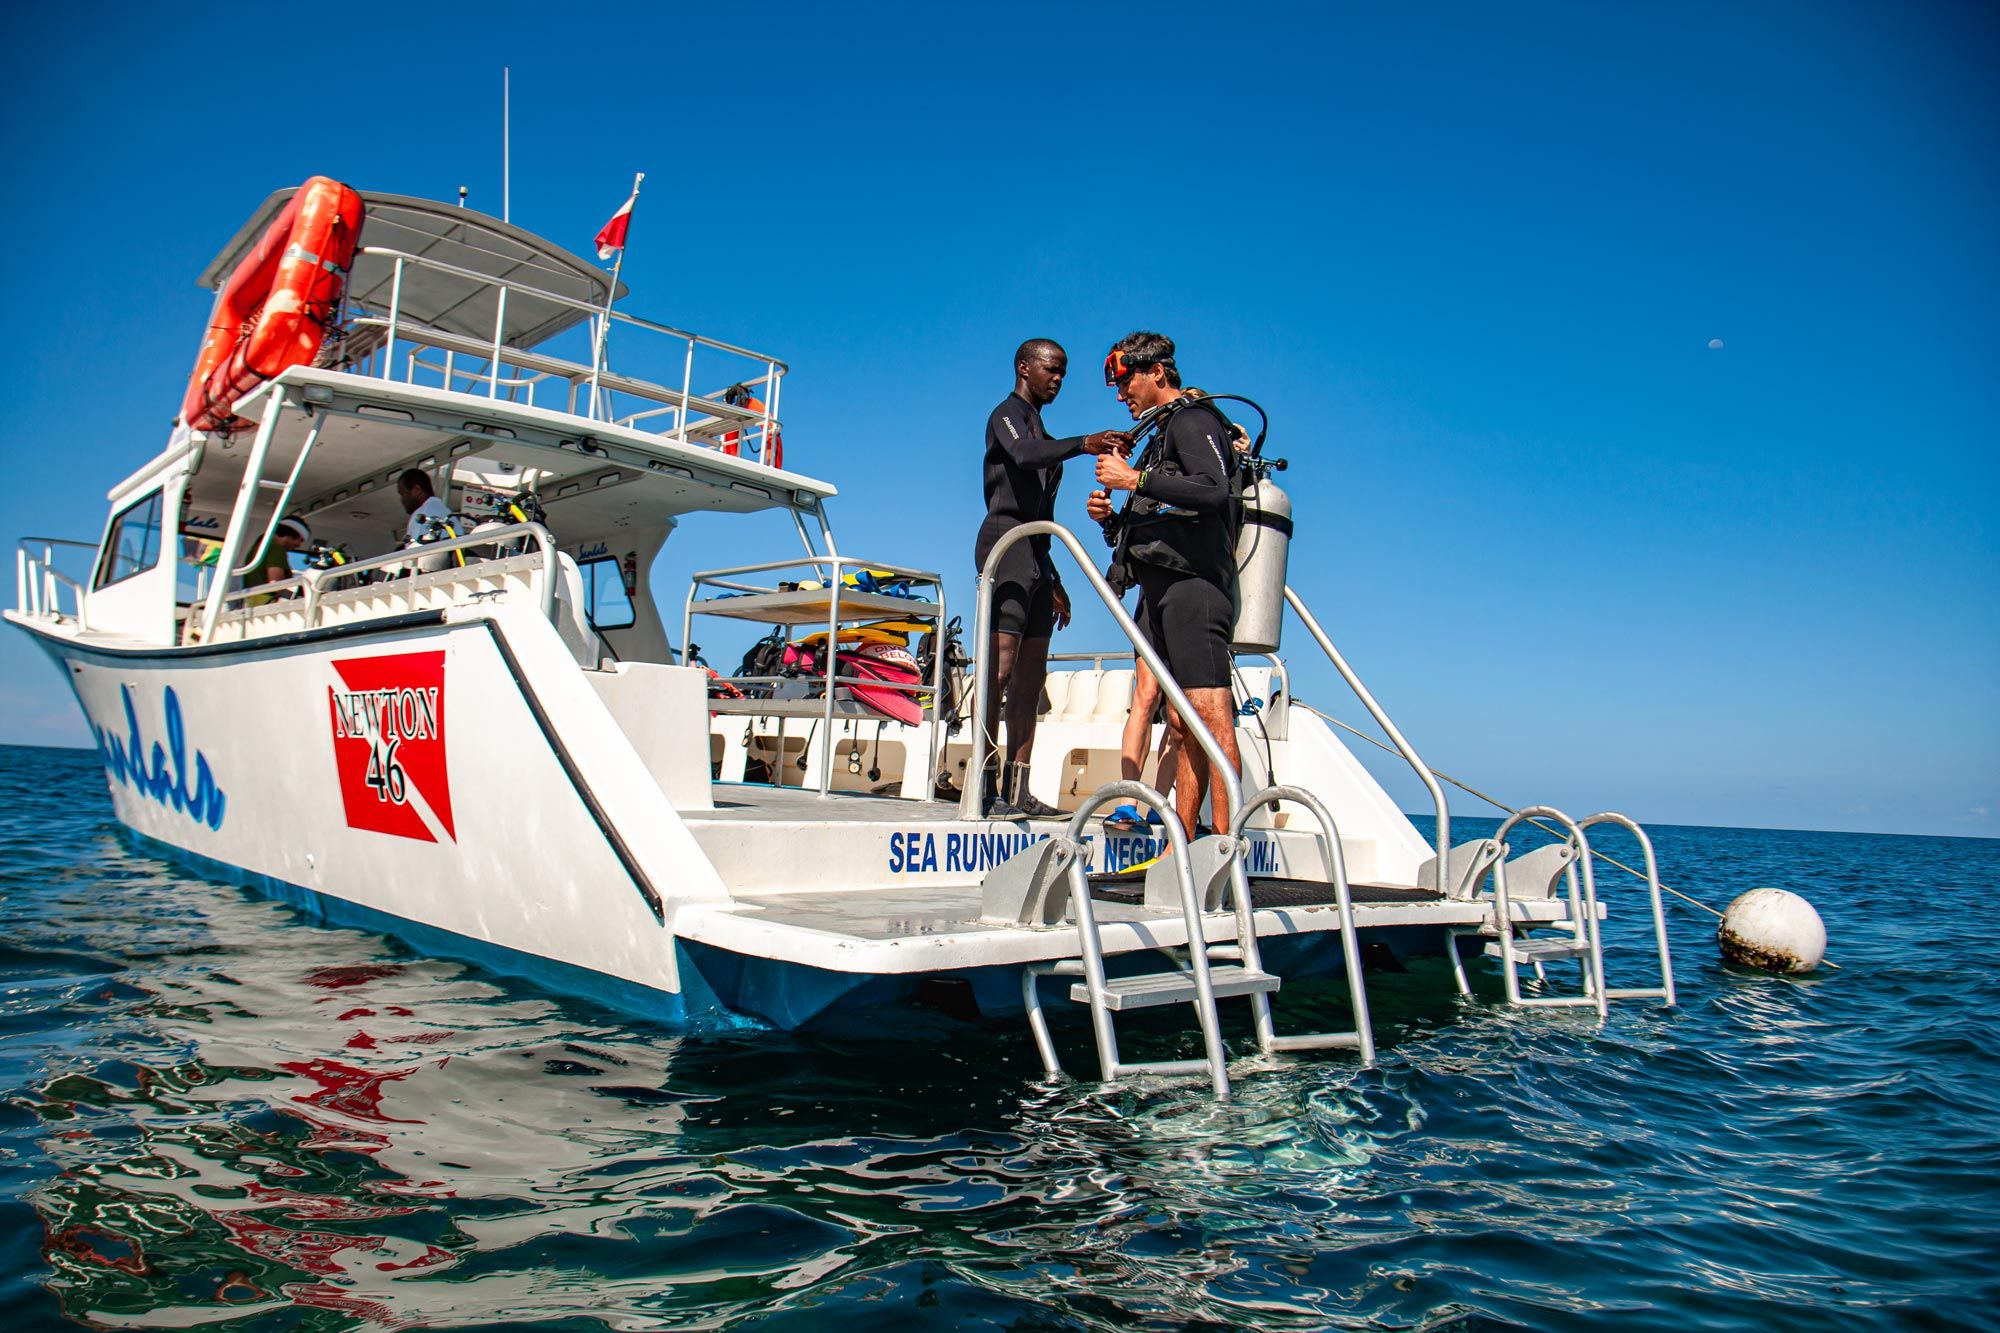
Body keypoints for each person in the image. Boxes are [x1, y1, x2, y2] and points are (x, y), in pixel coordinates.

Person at [1088, 331, 1243, 838]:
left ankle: (1225, 848)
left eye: (1125, 379)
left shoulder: (1194, 420)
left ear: (1157, 373)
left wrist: (1133, 481)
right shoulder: (1160, 436)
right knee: (1180, 725)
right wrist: (1111, 519)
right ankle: (1189, 841)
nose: (1120, 394)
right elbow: (1162, 517)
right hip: (1159, 593)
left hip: (1194, 587)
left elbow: (1213, 491)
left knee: (1211, 718)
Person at [975, 338, 1128, 818]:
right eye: (1051, 369)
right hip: (1004, 545)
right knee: (998, 673)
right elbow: (1023, 455)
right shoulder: (1007, 413)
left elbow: (1043, 511)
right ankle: (982, 790)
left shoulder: (1040, 425)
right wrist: (1084, 444)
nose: (1058, 379)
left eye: (1064, 372)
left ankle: (1018, 792)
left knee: (1029, 680)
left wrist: (1054, 577)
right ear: (1024, 367)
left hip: (1036, 555)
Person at [246, 515, 311, 607]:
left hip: (251, 600)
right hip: (265, 602)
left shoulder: (260, 545)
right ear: (293, 534)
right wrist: (299, 595)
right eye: (300, 540)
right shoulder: (277, 549)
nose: (299, 545)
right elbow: (275, 583)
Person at [397, 469, 455, 545]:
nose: (402, 500)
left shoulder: (422, 514)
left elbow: (415, 552)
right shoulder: (448, 513)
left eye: (403, 494)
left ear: (416, 490)